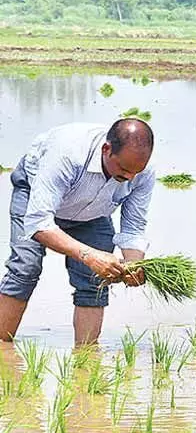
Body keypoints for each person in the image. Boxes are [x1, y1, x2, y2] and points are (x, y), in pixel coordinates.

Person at [0, 119, 155, 345]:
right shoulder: (67, 154)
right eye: (123, 169)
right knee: (25, 266)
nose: (130, 177)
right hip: (36, 197)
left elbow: (133, 227)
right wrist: (88, 255)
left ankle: (86, 360)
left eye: (136, 172)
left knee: (95, 280)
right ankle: (3, 352)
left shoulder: (143, 173)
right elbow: (39, 222)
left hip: (94, 212)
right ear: (106, 150)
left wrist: (133, 264)